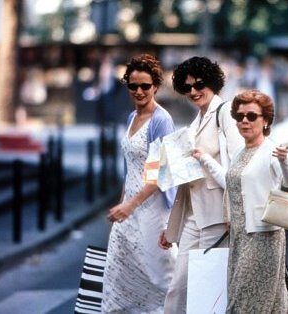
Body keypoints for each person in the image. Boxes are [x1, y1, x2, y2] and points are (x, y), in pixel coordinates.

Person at [198, 89, 288, 313]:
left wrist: (285, 161)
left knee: (243, 299)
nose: (244, 121)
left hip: (264, 236)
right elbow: (230, 181)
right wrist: (204, 159)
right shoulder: (239, 153)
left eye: (251, 116)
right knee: (267, 300)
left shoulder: (271, 150)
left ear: (265, 121)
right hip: (240, 237)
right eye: (239, 116)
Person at [158, 56, 243, 314]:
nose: (194, 92)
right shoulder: (195, 121)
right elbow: (187, 180)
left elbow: (238, 168)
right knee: (178, 287)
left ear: (213, 83)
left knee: (209, 291)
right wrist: (171, 227)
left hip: (218, 215)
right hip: (192, 216)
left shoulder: (226, 113)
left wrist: (203, 159)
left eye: (199, 85)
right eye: (188, 88)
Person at [101, 53, 177, 314]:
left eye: (146, 85)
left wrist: (130, 205)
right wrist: (124, 203)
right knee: (121, 270)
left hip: (151, 207)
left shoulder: (161, 120)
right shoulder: (131, 118)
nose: (140, 91)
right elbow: (129, 170)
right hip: (130, 205)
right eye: (133, 86)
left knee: (157, 275)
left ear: (156, 86)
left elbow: (160, 173)